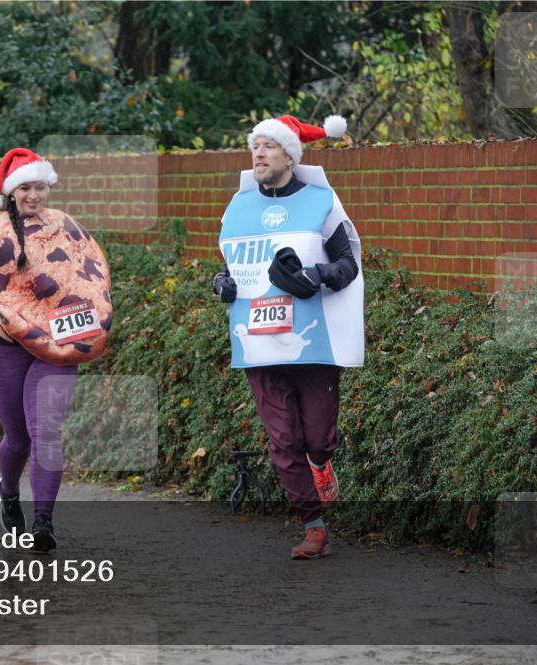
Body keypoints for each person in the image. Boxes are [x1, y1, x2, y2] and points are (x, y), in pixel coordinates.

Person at [212, 114, 362, 560]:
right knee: (283, 439)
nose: (258, 153)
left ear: (290, 156)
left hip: (314, 342)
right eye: (254, 146)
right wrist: (222, 285)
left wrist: (315, 276)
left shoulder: (321, 202)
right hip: (258, 342)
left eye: (268, 146)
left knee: (315, 437)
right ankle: (313, 526)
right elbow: (229, 268)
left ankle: (321, 463)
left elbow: (348, 263)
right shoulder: (237, 207)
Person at [0, 148, 112, 553]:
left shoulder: (67, 227)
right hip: (4, 345)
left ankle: (44, 521)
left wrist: (92, 320)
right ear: (11, 192)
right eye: (25, 187)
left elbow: (88, 278)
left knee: (46, 432)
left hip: (56, 344)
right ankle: (9, 491)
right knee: (19, 438)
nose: (34, 195)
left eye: (40, 186)